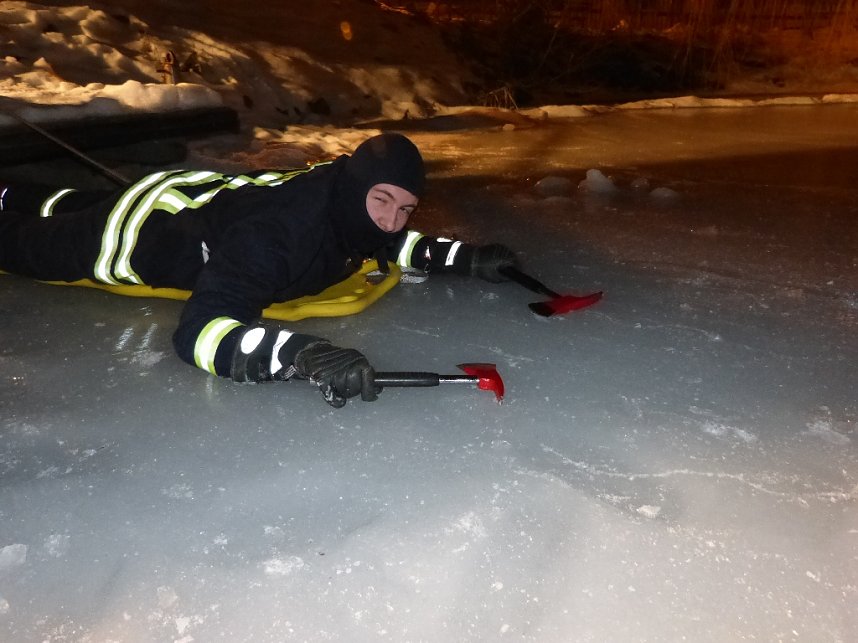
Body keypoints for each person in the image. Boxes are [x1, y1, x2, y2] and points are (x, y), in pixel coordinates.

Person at [0, 133, 517, 407]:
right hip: (139, 233)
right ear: (357, 186)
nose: (391, 220)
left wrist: (463, 257)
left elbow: (385, 239)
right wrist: (300, 355)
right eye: (382, 199)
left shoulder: (346, 201)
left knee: (57, 203)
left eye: (405, 209)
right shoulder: (278, 236)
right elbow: (201, 332)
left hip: (192, 194)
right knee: (23, 244)